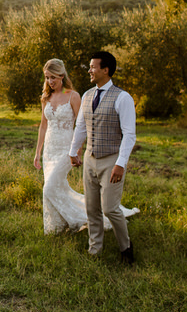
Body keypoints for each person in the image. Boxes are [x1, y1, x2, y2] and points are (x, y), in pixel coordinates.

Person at [33, 58, 138, 235]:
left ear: (62, 76)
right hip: (49, 150)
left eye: (53, 77)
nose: (50, 81)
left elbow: (83, 125)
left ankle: (78, 220)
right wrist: (38, 152)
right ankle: (56, 226)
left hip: (67, 149)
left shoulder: (73, 96)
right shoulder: (46, 97)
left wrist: (78, 150)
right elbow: (43, 126)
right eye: (47, 78)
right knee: (57, 187)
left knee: (49, 187)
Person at [69, 51, 138, 263]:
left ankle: (126, 247)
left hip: (111, 160)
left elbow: (129, 134)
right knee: (91, 208)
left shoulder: (123, 97)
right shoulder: (88, 95)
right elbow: (81, 126)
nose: (89, 70)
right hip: (90, 158)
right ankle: (94, 249)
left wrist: (120, 164)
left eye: (93, 67)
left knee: (110, 208)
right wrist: (73, 151)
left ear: (105, 70)